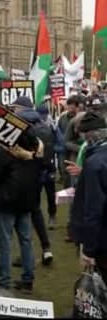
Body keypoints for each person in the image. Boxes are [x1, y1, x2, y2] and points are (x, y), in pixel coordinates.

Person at [0, 120, 41, 296]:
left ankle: (4, 282)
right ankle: (28, 280)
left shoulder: (5, 154)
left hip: (7, 202)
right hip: (26, 202)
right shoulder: (35, 154)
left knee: (5, 243)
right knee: (26, 240)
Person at [11, 97, 54, 266]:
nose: (13, 111)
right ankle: (46, 248)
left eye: (15, 108)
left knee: (21, 217)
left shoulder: (17, 127)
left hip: (21, 176)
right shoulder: (45, 126)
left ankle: (25, 256)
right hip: (40, 174)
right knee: (35, 212)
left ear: (20, 109)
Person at [70, 112, 107, 277]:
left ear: (89, 136)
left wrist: (89, 250)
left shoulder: (94, 164)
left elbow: (94, 209)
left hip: (102, 241)